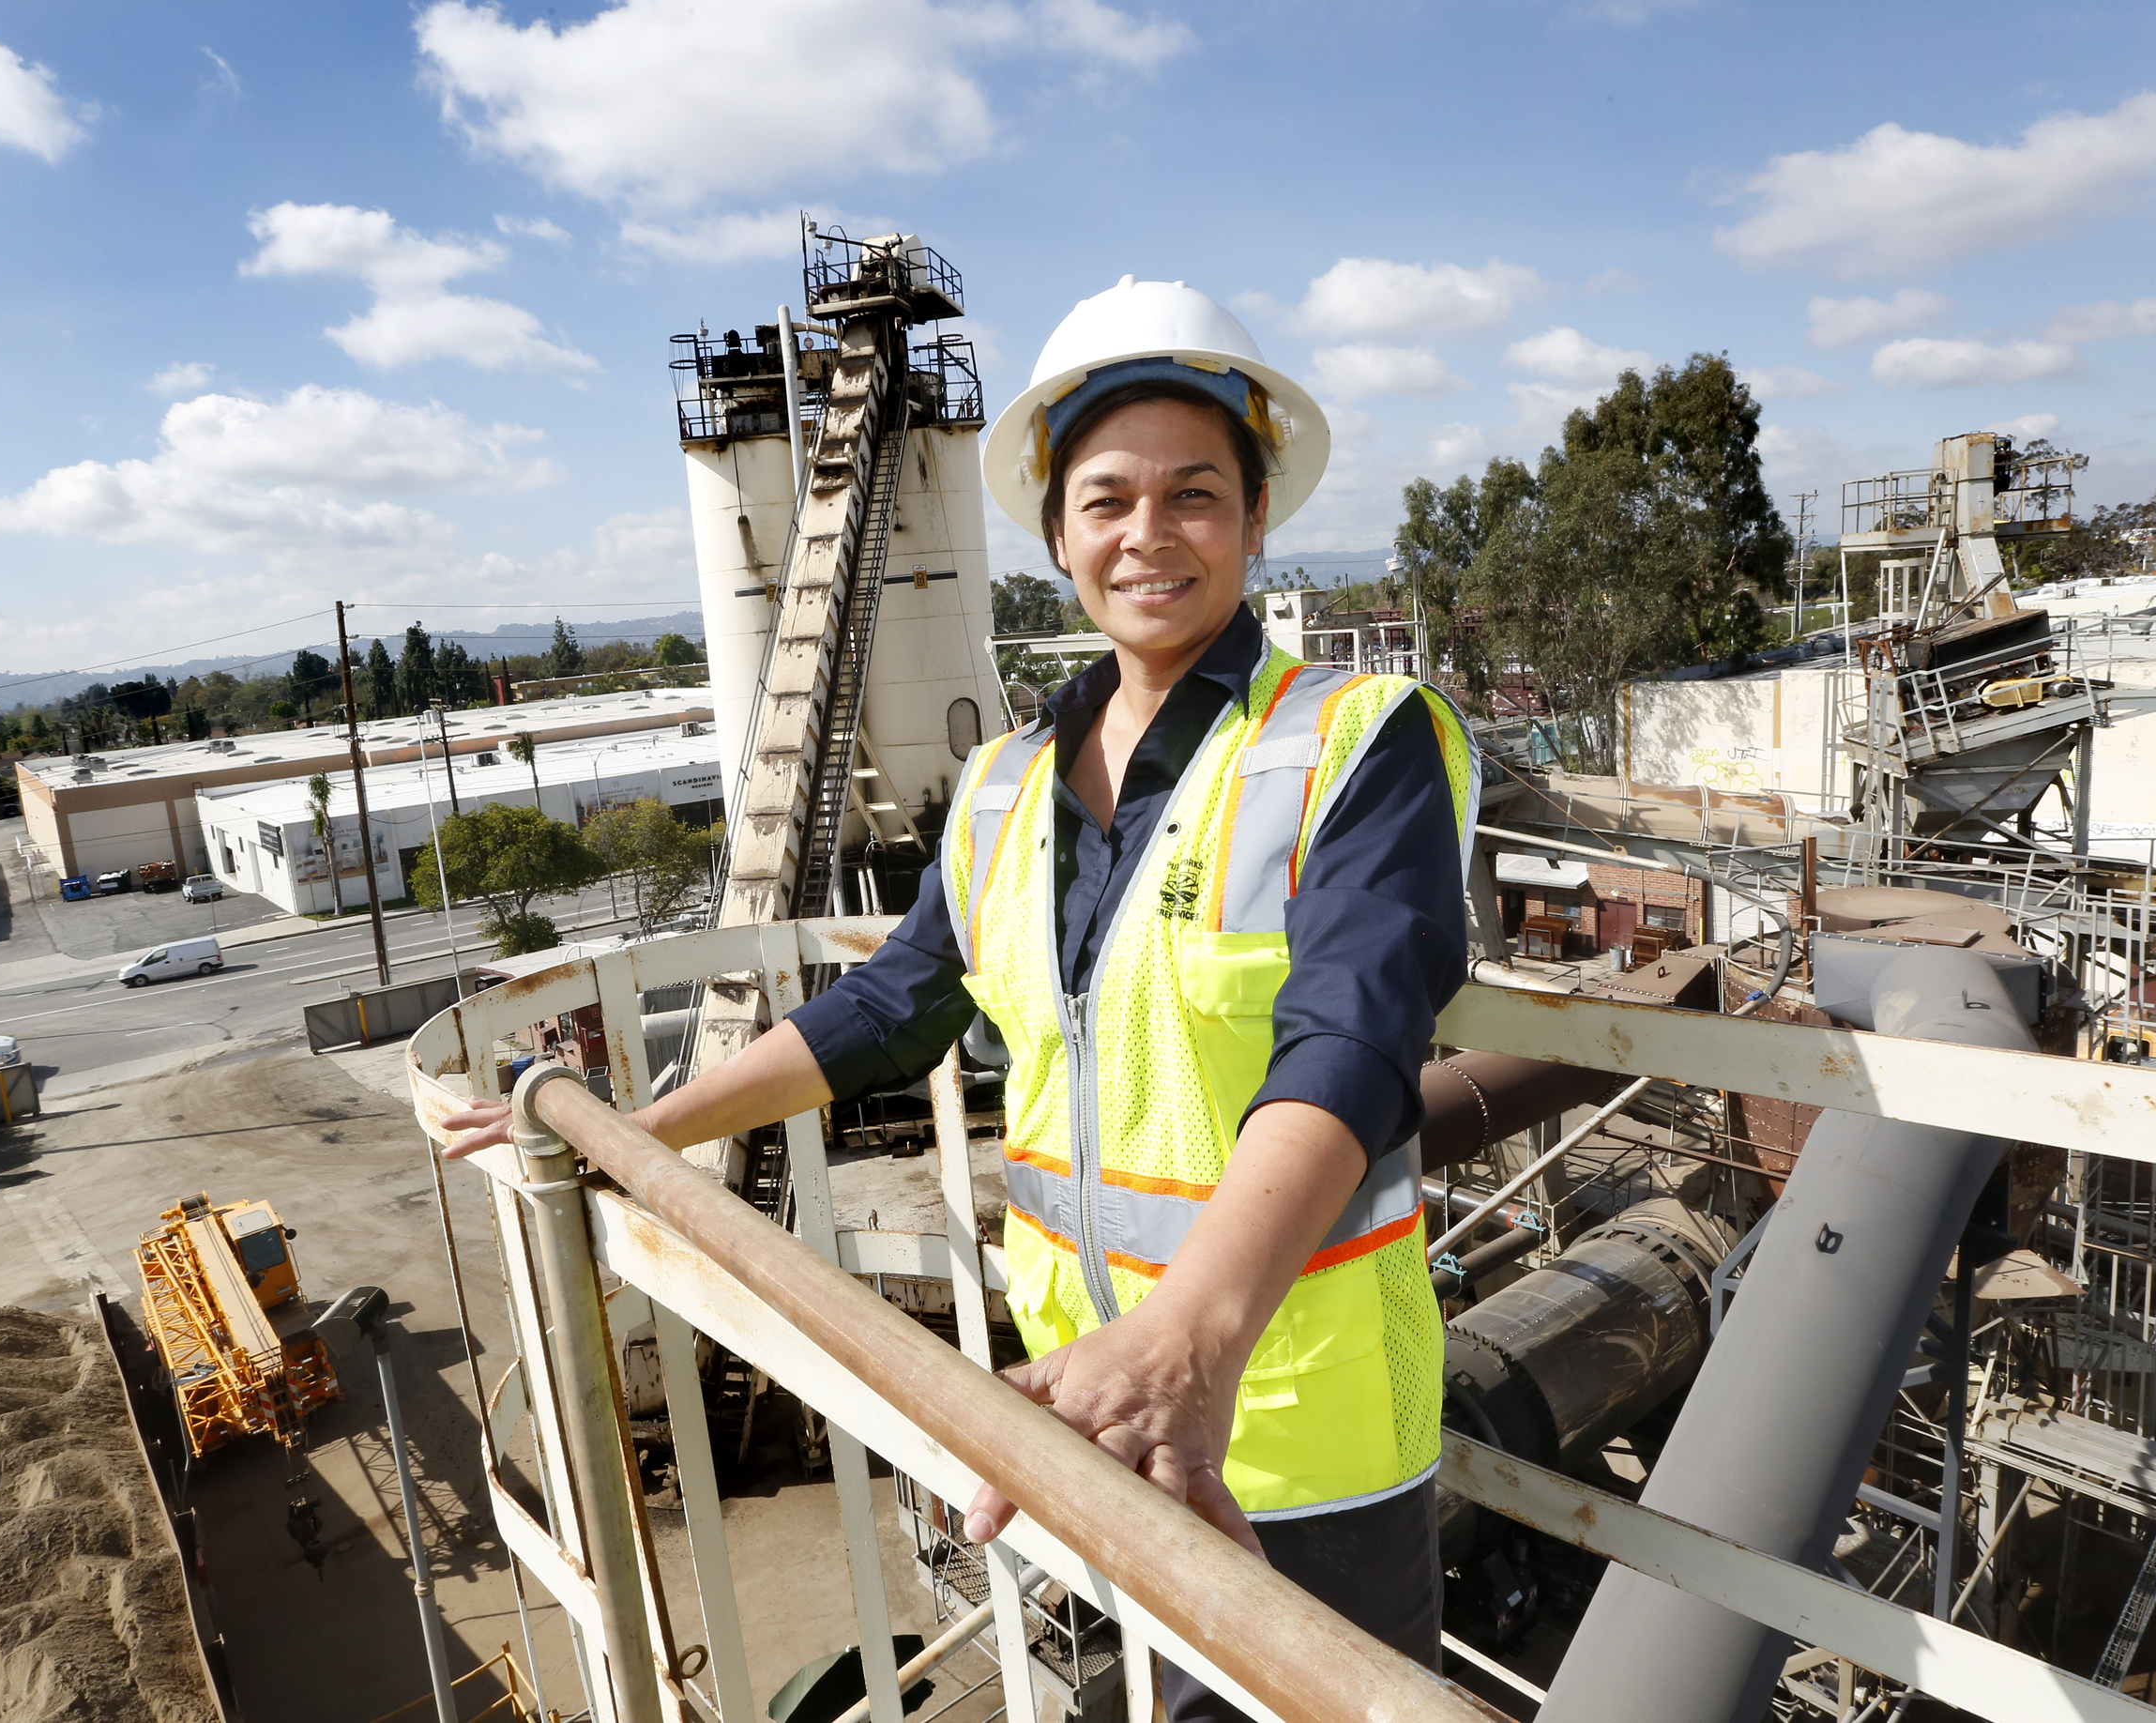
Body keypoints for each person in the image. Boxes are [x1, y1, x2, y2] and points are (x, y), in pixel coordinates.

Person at [443, 278, 1478, 1720]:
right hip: (1081, 1407)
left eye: (1195, 495)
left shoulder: (1354, 744)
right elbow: (894, 1006)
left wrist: (1189, 1345)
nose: (1148, 533)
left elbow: (1356, 1042)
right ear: (1057, 537)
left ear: (1255, 518)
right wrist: (639, 1128)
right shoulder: (1004, 786)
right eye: (1107, 499)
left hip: (1292, 1419)